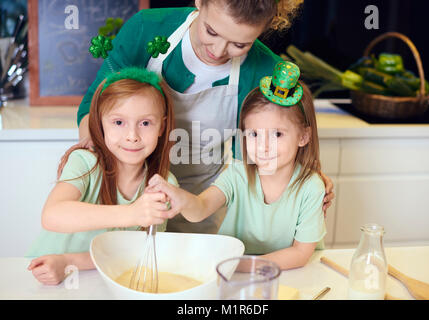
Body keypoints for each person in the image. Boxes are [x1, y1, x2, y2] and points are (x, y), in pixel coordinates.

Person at [77, 0, 334, 234]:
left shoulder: (264, 71)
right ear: (200, 2)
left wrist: (304, 176)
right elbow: (95, 105)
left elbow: (252, 160)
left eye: (239, 45)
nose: (219, 50)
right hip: (123, 193)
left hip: (201, 203)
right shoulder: (147, 28)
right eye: (211, 31)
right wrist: (90, 166)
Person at [147, 61, 326, 270]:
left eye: (277, 134)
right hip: (235, 273)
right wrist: (179, 197)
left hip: (285, 273)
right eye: (254, 134)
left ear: (303, 136)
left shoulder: (311, 187)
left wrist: (242, 266)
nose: (263, 146)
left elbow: (300, 253)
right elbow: (201, 208)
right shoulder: (237, 175)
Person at [26, 67, 178, 285]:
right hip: (42, 277)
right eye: (118, 122)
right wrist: (131, 213)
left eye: (145, 123)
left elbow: (139, 251)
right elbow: (52, 215)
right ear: (100, 124)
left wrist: (69, 262)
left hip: (99, 276)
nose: (132, 136)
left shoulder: (165, 185)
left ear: (162, 126)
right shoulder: (86, 163)